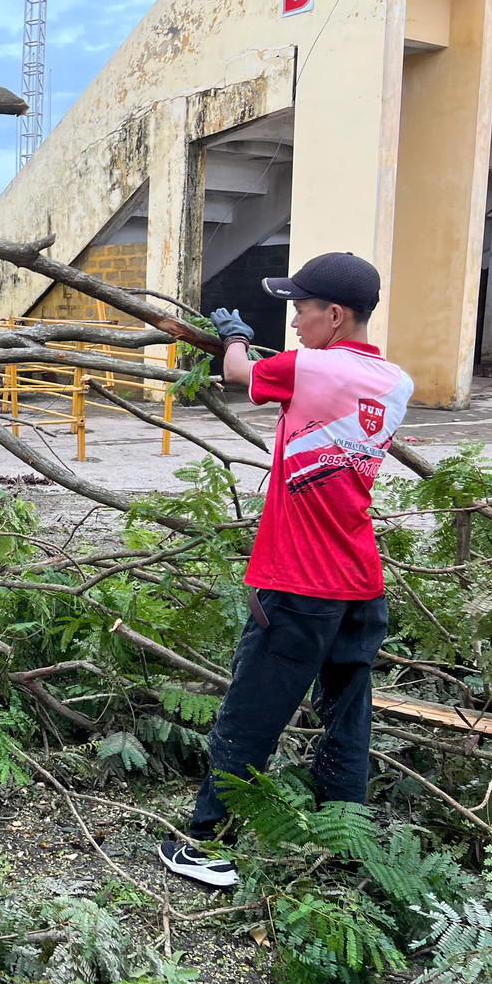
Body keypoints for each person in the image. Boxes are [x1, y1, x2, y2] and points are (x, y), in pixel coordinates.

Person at [157, 253, 414, 888]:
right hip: (360, 582)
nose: (294, 319)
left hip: (299, 581)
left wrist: (235, 336)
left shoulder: (313, 367)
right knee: (349, 713)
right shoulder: (396, 383)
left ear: (335, 314)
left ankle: (205, 845)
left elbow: (242, 372)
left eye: (301, 308)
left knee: (252, 710)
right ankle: (344, 843)